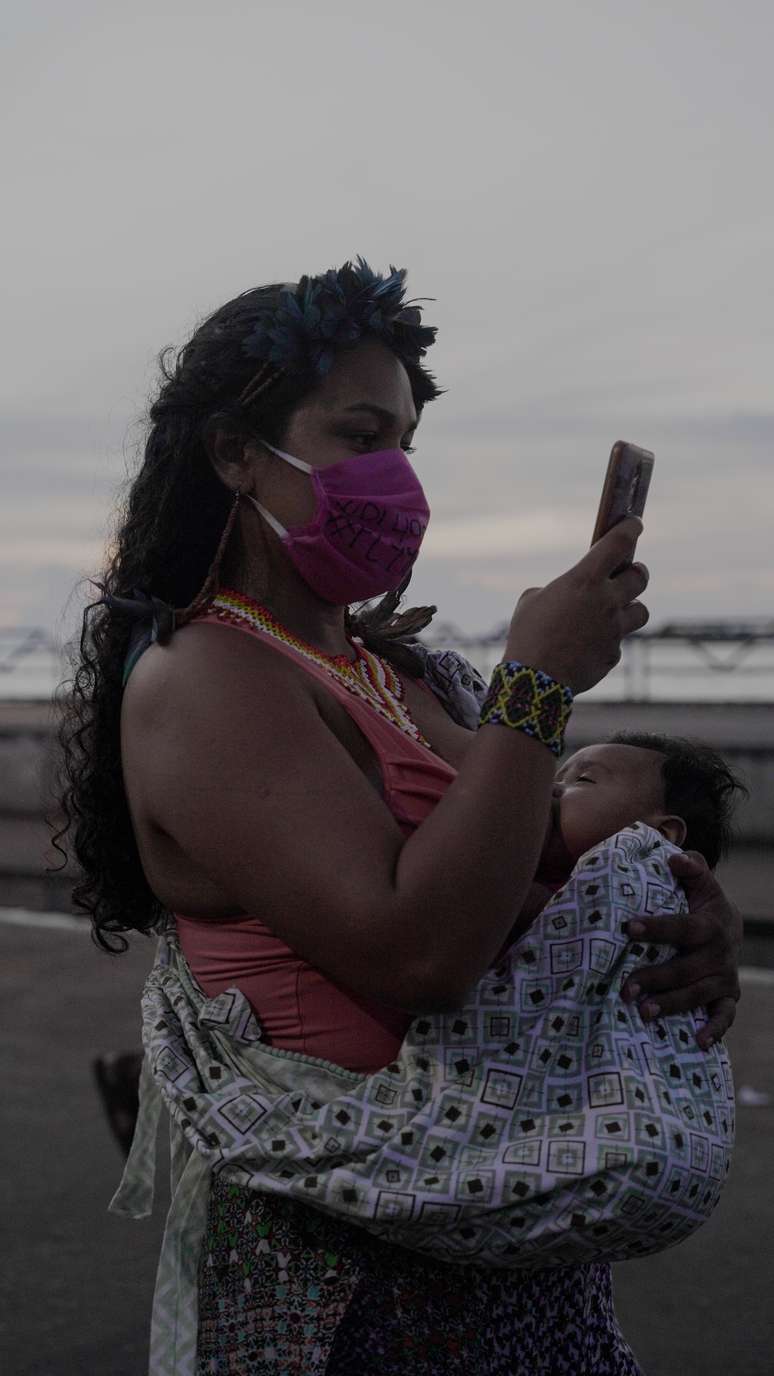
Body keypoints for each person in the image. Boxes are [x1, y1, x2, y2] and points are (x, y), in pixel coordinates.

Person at [55, 259, 742, 1375]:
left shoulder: (396, 667)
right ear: (237, 453)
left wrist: (670, 908)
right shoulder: (203, 680)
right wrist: (539, 685)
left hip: (514, 1268)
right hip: (349, 1299)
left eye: (407, 443)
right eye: (360, 433)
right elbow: (418, 947)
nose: (396, 477)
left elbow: (523, 863)